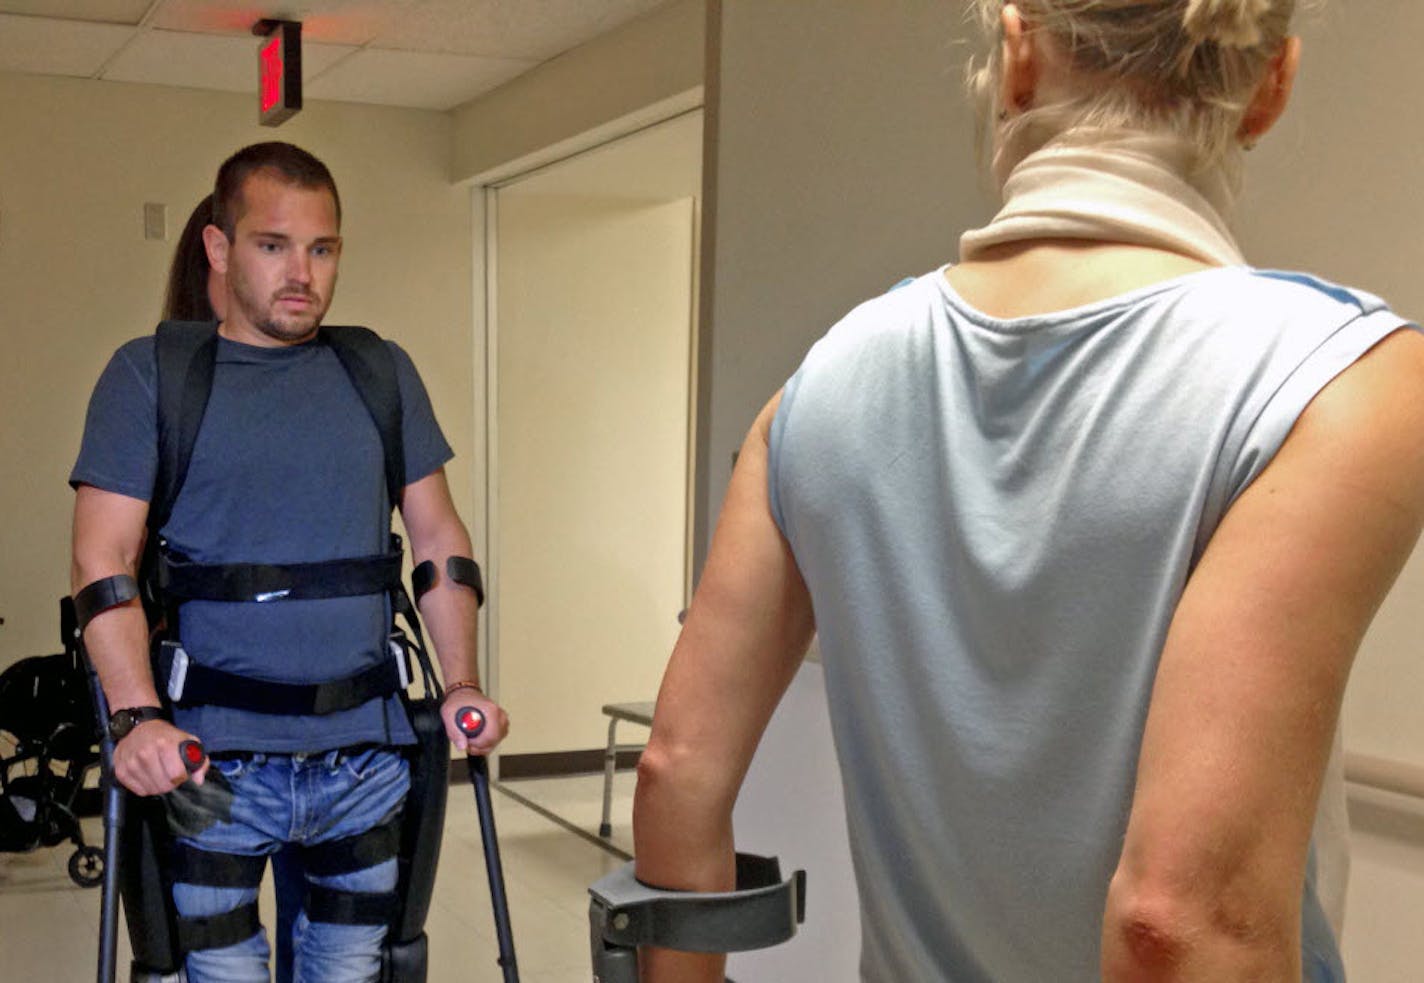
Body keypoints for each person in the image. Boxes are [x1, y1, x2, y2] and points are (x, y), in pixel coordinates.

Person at [632, 2, 1424, 981]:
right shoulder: (1336, 379)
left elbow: (675, 773)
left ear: (1014, 55)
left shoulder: (816, 390)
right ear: (1270, 87)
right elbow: (1179, 921)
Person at [71, 141, 508, 983]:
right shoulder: (149, 375)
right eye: (273, 245)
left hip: (363, 760)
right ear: (219, 248)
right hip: (212, 768)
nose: (301, 272)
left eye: (322, 247)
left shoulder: (379, 371)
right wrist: (134, 716)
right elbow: (103, 559)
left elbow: (440, 542)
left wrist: (461, 684)